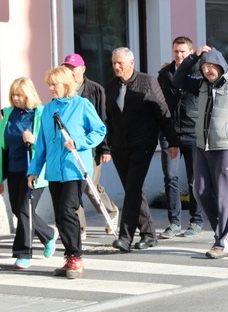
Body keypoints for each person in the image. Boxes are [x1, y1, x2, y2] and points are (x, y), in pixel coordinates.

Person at [173, 45, 228, 258]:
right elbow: (178, 79)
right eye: (204, 67)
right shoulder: (201, 85)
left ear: (221, 65)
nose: (208, 70)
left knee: (225, 197)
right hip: (203, 146)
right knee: (200, 191)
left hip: (226, 148)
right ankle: (222, 230)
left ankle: (224, 244)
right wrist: (194, 57)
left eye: (212, 66)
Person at [27, 67, 106, 279]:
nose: (51, 88)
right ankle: (70, 256)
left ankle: (76, 258)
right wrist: (34, 171)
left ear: (67, 84)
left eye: (55, 84)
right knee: (60, 215)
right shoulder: (47, 110)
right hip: (54, 171)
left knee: (67, 210)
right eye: (49, 85)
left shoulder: (82, 105)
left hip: (75, 169)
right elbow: (41, 144)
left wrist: (79, 142)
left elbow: (99, 130)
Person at [105, 47, 179, 253]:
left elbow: (163, 112)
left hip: (143, 144)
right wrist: (107, 145)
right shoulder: (111, 86)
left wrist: (173, 142)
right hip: (120, 146)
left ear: (132, 63)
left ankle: (125, 237)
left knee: (133, 189)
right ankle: (149, 234)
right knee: (133, 190)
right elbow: (107, 118)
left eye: (120, 63)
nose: (116, 67)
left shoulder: (148, 82)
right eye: (113, 63)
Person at [0, 77, 57, 270]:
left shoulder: (41, 114)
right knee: (18, 209)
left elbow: (50, 141)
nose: (15, 98)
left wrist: (33, 139)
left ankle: (23, 252)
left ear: (29, 94)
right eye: (13, 94)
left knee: (24, 209)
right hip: (14, 169)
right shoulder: (9, 114)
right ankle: (48, 234)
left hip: (34, 170)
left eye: (19, 95)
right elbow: (2, 145)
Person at [61, 53, 120, 237]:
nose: (70, 71)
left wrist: (105, 148)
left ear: (83, 69)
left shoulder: (95, 90)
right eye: (67, 68)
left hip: (91, 148)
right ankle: (79, 228)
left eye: (73, 68)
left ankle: (111, 211)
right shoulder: (63, 89)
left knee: (89, 185)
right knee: (75, 187)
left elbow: (103, 120)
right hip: (69, 149)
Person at [156, 36, 204, 238]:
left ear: (191, 52)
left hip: (193, 131)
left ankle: (196, 221)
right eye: (176, 51)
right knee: (171, 177)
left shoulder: (199, 72)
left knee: (194, 179)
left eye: (183, 51)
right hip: (170, 134)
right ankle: (174, 222)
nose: (179, 55)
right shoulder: (164, 74)